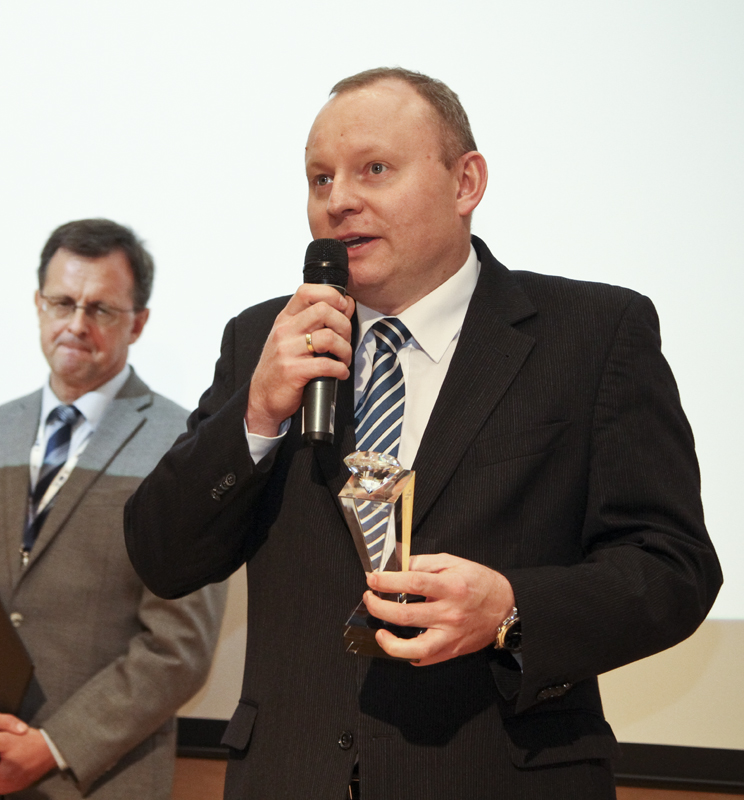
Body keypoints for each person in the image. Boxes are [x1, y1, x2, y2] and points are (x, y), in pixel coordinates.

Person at [124, 68, 721, 799]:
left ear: (466, 182)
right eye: (320, 179)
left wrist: (512, 608)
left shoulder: (593, 335)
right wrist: (256, 416)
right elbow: (162, 556)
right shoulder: (264, 340)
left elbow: (674, 568)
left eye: (374, 169)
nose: (339, 200)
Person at [0, 218, 227, 799]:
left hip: (97, 780)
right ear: (38, 304)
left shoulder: (185, 444)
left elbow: (178, 648)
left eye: (101, 309)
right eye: (62, 302)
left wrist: (52, 747)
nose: (76, 324)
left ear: (138, 322)